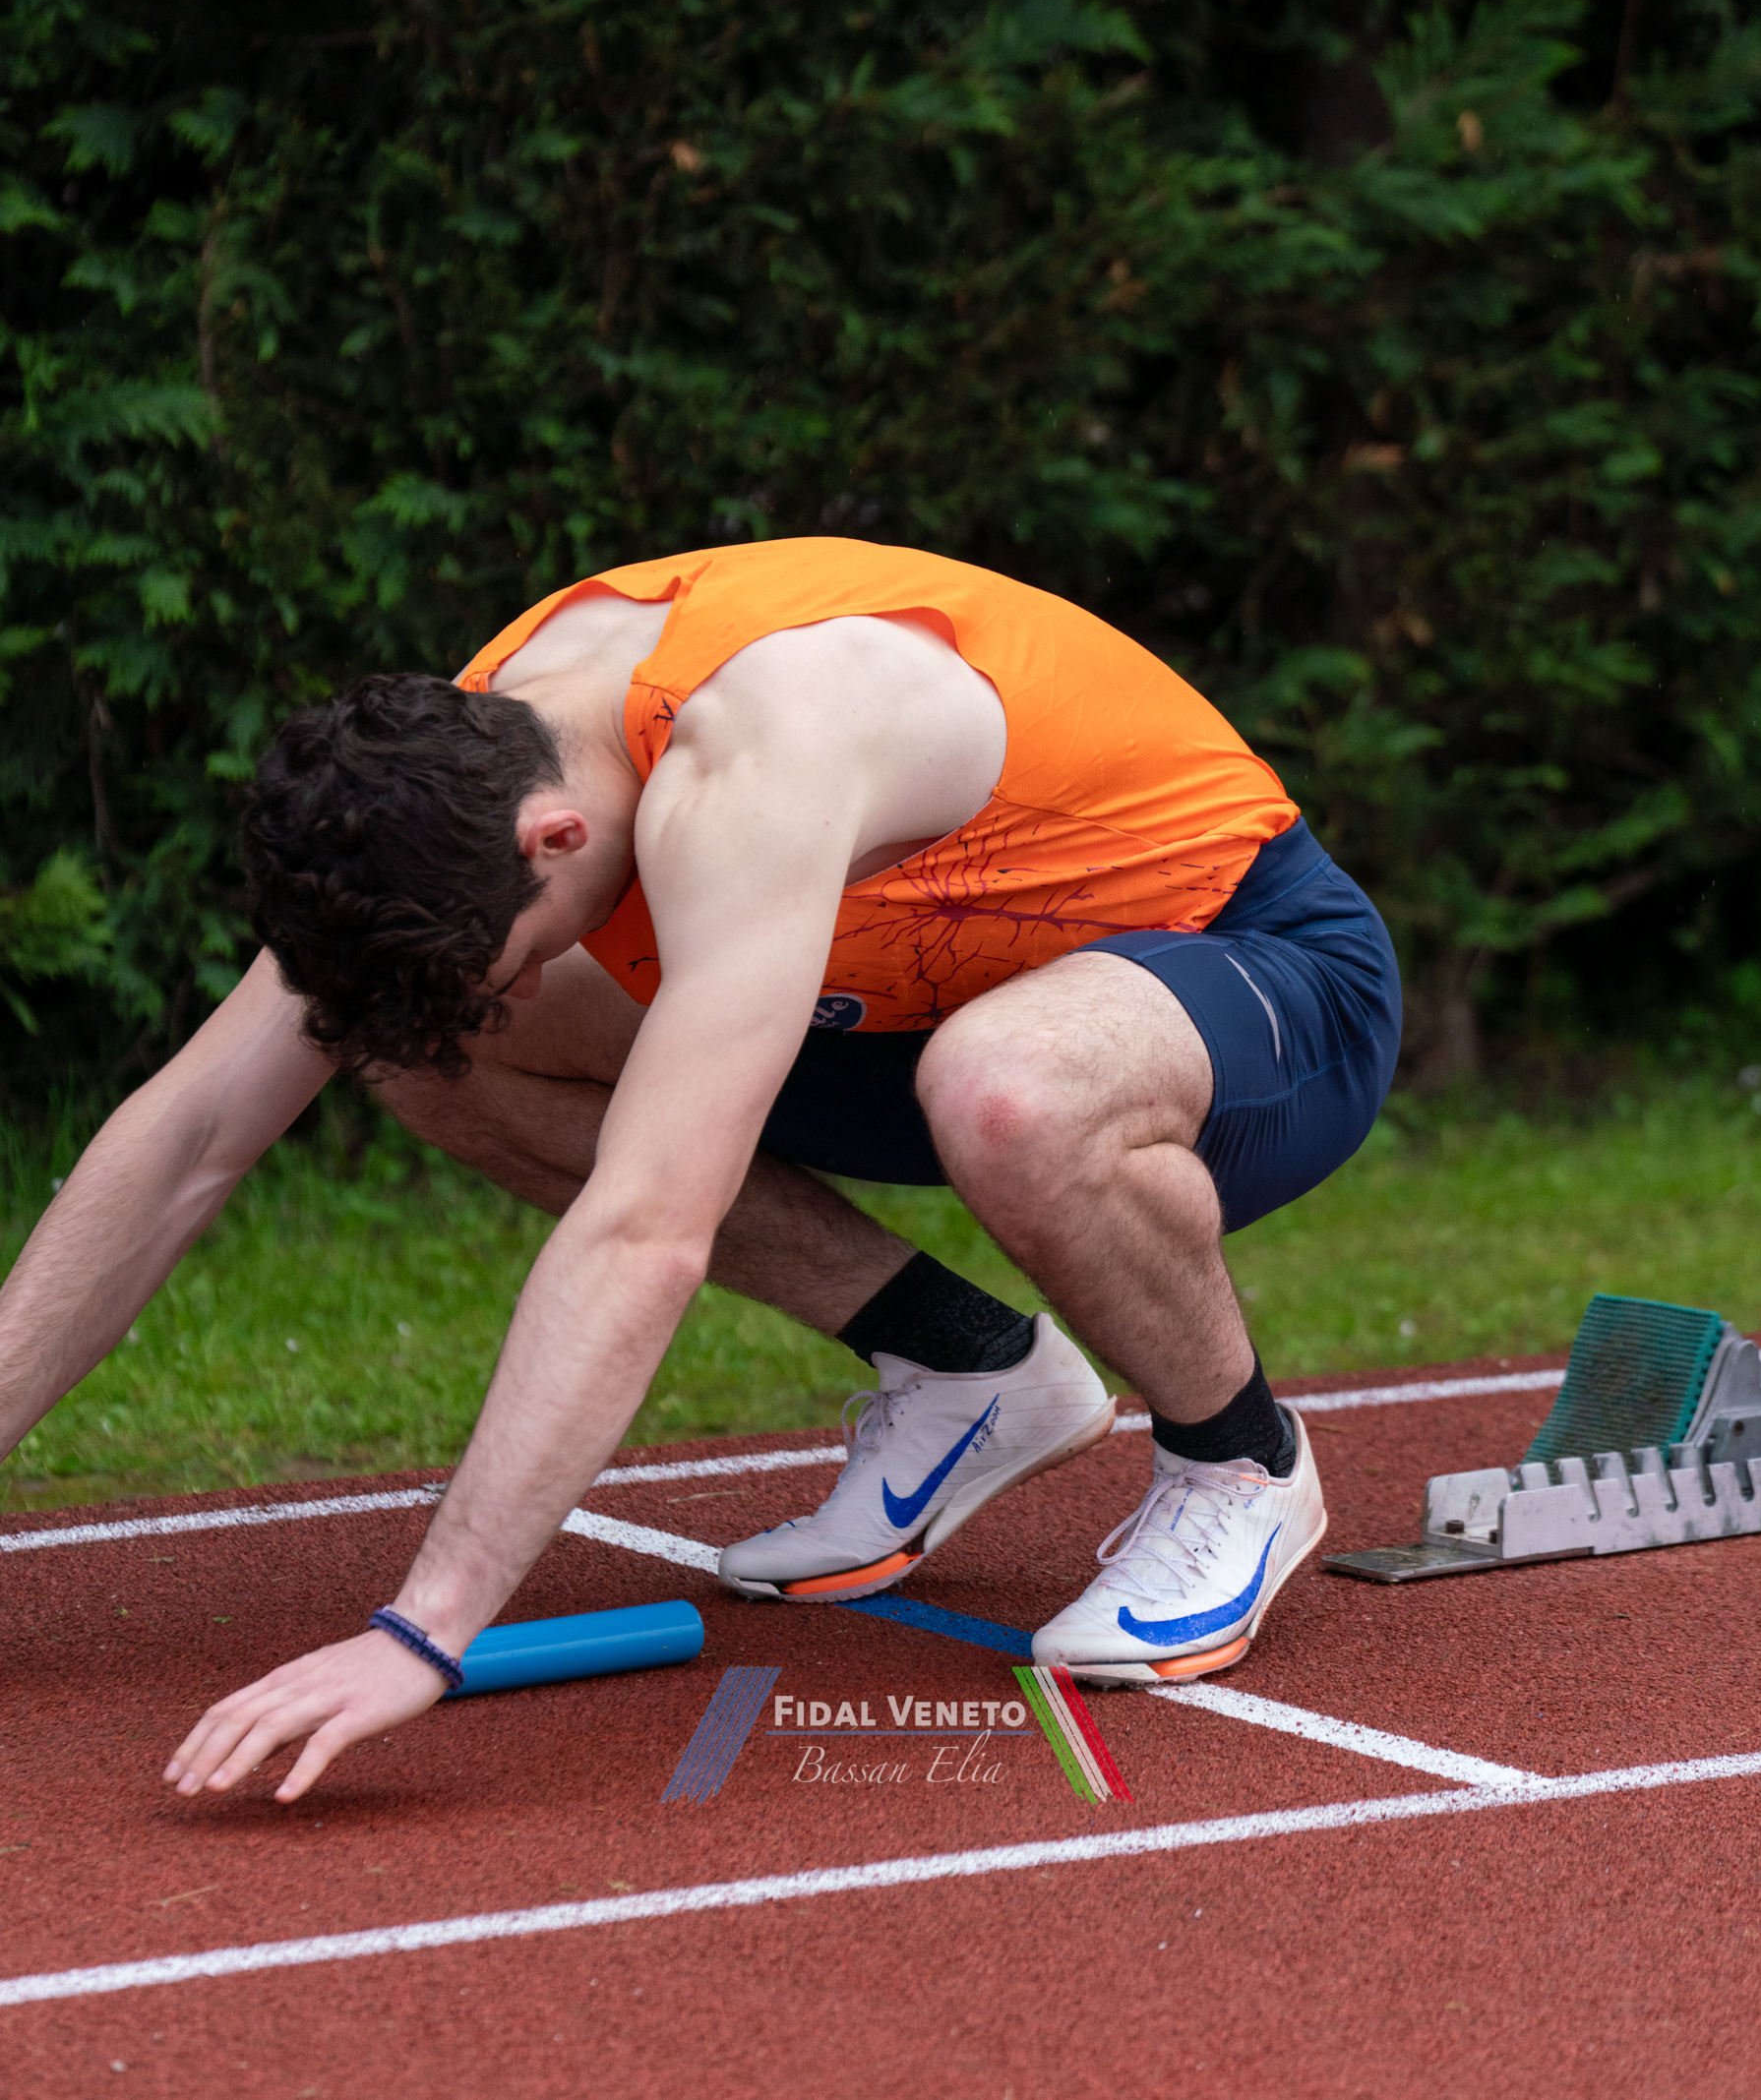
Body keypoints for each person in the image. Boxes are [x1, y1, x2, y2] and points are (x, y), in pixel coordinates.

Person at [0, 540, 1400, 1804]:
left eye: (506, 948)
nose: (518, 981)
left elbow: (643, 1229)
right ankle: (966, 1370)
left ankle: (1240, 1462)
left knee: (1007, 1093)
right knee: (422, 1045)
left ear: (552, 839)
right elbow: (188, 1132)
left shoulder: (758, 757)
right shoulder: (464, 760)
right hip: (905, 1007)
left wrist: (426, 1628)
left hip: (1255, 976)